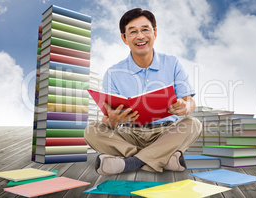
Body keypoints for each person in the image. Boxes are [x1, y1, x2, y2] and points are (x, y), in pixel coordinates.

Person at [84, 8, 202, 175]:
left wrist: (185, 106)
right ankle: (163, 158)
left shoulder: (173, 63)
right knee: (91, 130)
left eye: (145, 29)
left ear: (155, 32)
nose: (140, 36)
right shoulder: (113, 72)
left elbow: (189, 102)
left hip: (165, 132)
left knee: (194, 124)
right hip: (129, 134)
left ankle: (131, 162)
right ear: (124, 38)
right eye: (133, 32)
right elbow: (107, 120)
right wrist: (113, 120)